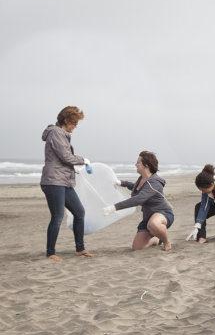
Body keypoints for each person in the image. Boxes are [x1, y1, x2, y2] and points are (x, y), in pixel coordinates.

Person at [40, 106, 94, 262]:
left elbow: (63, 158)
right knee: (57, 216)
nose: (75, 126)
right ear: (66, 121)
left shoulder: (61, 134)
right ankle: (50, 252)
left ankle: (80, 249)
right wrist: (83, 160)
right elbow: (65, 156)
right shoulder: (56, 133)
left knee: (79, 212)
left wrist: (73, 168)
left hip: (63, 180)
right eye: (74, 123)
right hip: (53, 181)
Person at [103, 151, 174, 251]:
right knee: (137, 247)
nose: (135, 165)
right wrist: (122, 183)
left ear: (145, 165)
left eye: (138, 162)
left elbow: (138, 199)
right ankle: (157, 239)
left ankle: (166, 242)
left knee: (153, 224)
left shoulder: (154, 183)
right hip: (148, 217)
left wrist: (114, 207)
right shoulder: (142, 179)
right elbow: (136, 188)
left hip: (163, 214)